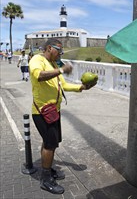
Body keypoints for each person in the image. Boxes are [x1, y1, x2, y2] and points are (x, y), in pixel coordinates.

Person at [28, 39, 96, 194]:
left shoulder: (52, 65)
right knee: (50, 145)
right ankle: (45, 180)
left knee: (49, 143)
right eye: (59, 51)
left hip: (53, 111)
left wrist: (82, 87)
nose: (60, 54)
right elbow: (39, 75)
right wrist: (61, 70)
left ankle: (48, 168)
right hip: (42, 112)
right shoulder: (37, 59)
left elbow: (63, 85)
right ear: (50, 48)